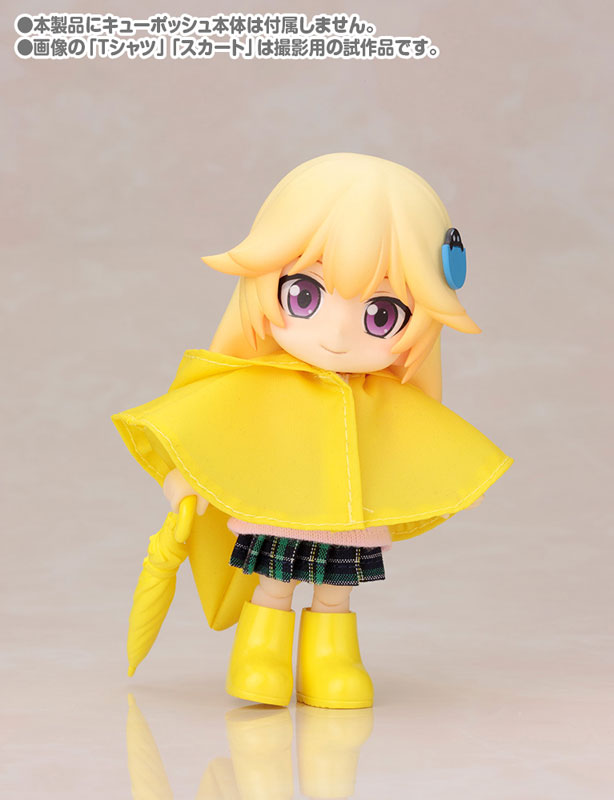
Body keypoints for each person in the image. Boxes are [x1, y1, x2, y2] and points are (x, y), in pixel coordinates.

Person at [114, 153, 512, 708]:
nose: (338, 335)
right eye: (306, 295)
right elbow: (213, 424)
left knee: (335, 590)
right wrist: (184, 476)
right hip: (277, 506)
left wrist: (440, 482)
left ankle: (331, 659)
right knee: (274, 582)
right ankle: (260, 654)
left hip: (346, 518)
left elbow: (417, 445)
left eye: (380, 314)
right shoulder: (258, 384)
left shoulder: (384, 400)